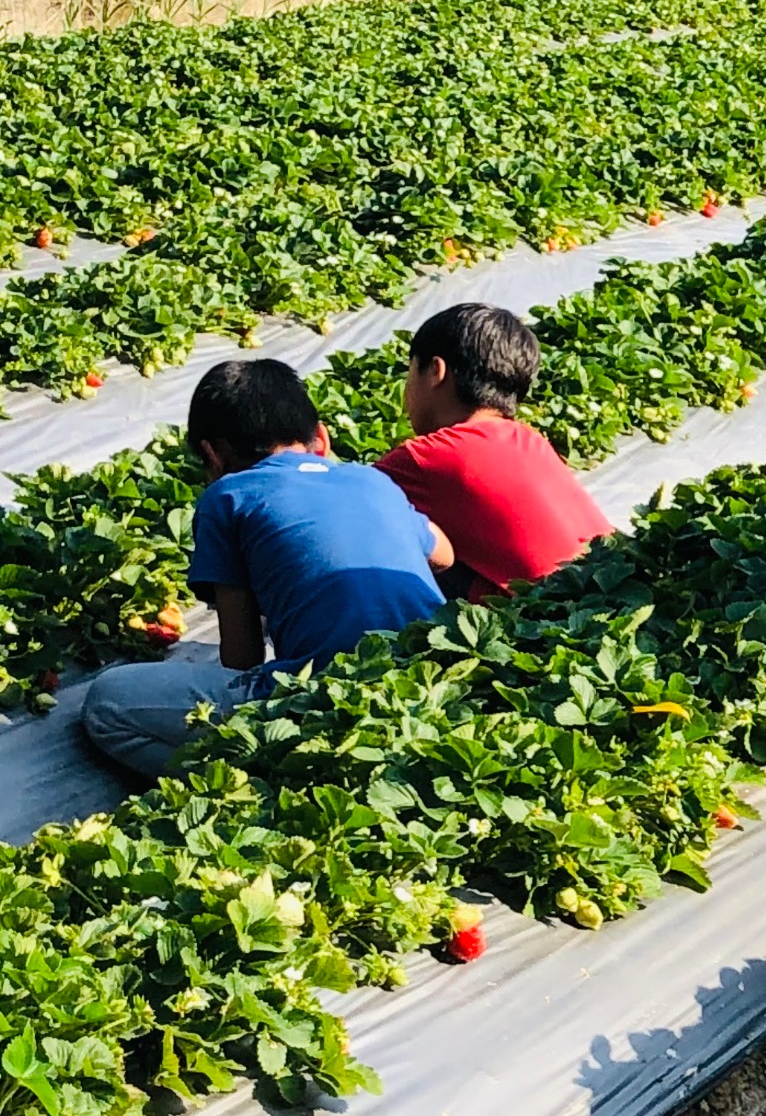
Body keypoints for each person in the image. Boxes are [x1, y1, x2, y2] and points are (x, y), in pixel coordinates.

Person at [78, 358, 450, 778]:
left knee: (107, 703)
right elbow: (445, 555)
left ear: (212, 455)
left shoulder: (228, 497)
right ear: (321, 438)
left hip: (323, 700)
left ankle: (250, 786)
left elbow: (243, 656)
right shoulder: (371, 479)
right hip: (430, 685)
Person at [375, 303, 614, 598]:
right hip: (608, 590)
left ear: (436, 371)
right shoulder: (530, 440)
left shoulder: (428, 457)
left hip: (544, 619)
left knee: (389, 539)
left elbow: (343, 500)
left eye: (410, 371)